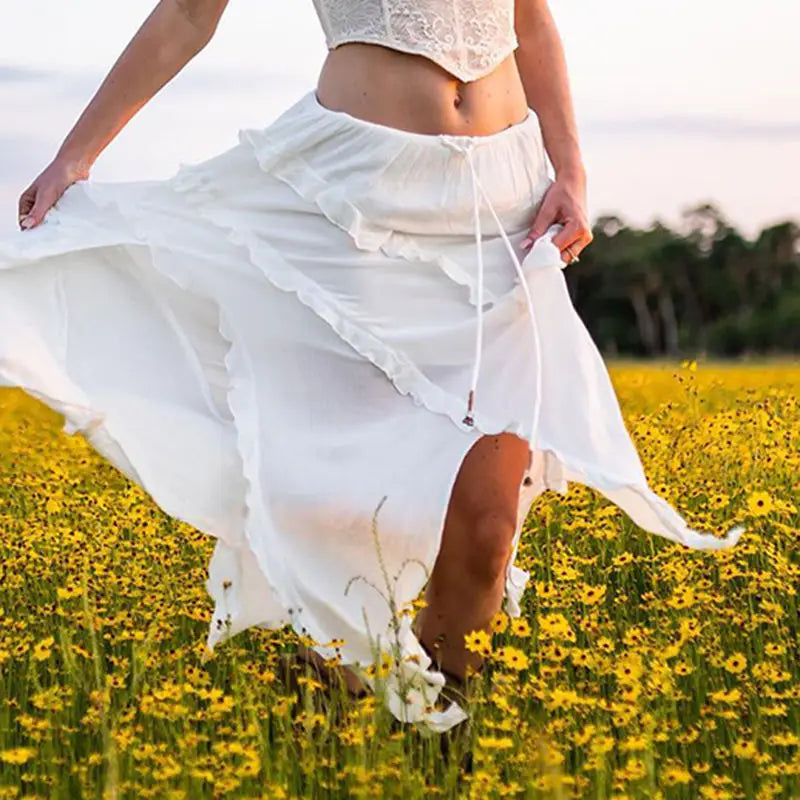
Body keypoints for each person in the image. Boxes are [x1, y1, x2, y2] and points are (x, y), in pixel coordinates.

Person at [0, 0, 744, 733]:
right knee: (329, 494)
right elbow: (190, 13)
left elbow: (532, 20)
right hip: (352, 202)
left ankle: (428, 736)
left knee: (488, 529)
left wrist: (572, 170)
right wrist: (76, 154)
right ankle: (344, 710)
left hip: (502, 210)